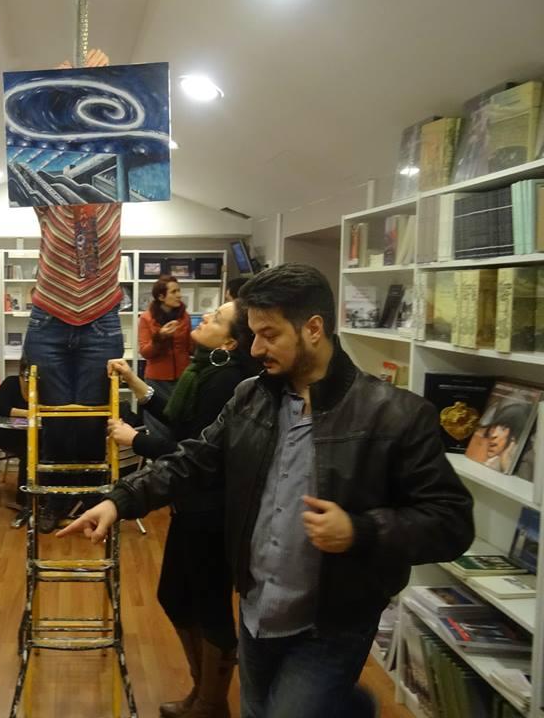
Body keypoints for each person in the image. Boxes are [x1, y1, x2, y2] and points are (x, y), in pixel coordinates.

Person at [60, 263, 475, 718]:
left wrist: (360, 530)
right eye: (253, 334)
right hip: (258, 610)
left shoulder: (395, 415)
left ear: (313, 329)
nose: (255, 349)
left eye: (269, 335)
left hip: (333, 621)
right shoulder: (250, 396)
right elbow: (194, 458)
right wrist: (120, 499)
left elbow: (450, 522)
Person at [108, 300, 259, 718]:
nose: (204, 317)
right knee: (176, 597)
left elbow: (191, 450)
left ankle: (210, 703)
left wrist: (135, 440)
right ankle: (202, 693)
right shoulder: (204, 371)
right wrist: (135, 381)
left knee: (208, 604)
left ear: (230, 342)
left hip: (210, 509)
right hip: (193, 504)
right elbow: (179, 418)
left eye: (217, 318)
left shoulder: (225, 380)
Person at [23, 48, 126, 531]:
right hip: (49, 315)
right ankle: (51, 497)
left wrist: (97, 85)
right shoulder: (45, 190)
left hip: (102, 315)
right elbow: (35, 136)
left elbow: (124, 134)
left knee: (91, 417)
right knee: (51, 415)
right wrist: (59, 93)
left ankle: (89, 499)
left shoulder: (114, 188)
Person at [137, 275, 192, 443]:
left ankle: (180, 456)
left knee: (181, 422)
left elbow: (190, 347)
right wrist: (160, 337)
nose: (179, 295)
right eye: (174, 292)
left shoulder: (184, 316)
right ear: (161, 296)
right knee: (158, 425)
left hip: (183, 378)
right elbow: (145, 352)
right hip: (157, 379)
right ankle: (159, 458)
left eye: (179, 290)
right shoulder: (146, 318)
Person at [0, 353, 31, 528]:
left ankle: (41, 496)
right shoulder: (10, 383)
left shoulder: (42, 387)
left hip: (25, 433)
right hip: (1, 432)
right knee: (29, 450)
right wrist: (31, 412)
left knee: (41, 447)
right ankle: (25, 500)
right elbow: (3, 409)